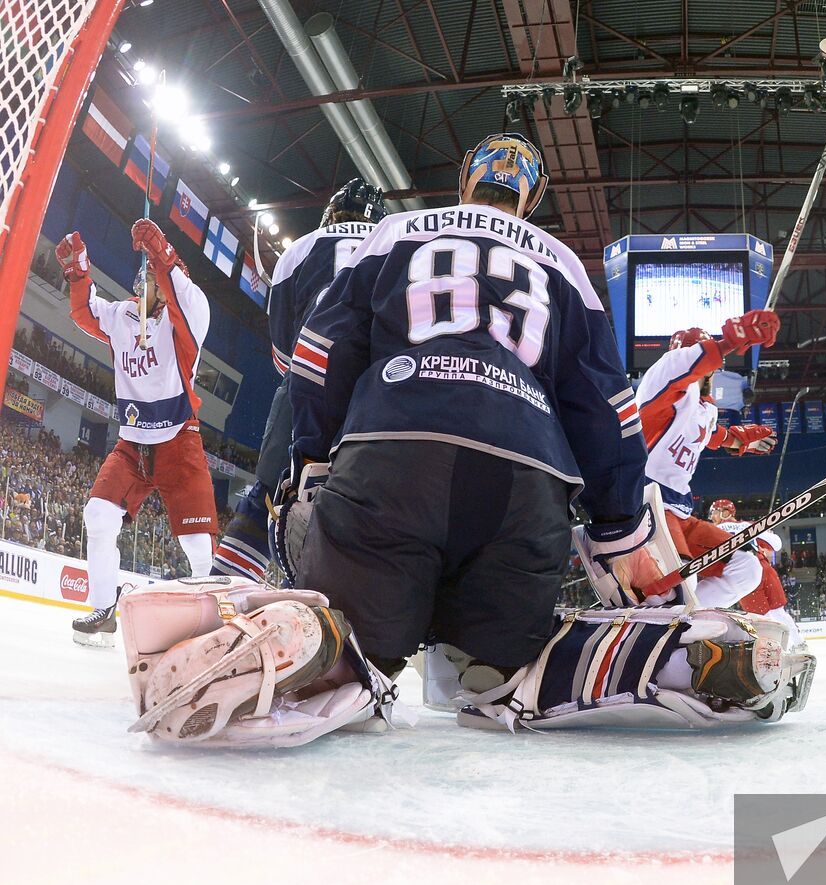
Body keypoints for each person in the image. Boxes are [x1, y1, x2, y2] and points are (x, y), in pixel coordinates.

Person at [283, 132, 672, 680]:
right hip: (526, 483)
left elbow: (321, 351)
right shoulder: (560, 261)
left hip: (393, 456)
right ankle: (545, 673)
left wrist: (314, 459)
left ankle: (338, 667)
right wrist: (618, 529)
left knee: (347, 660)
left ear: (467, 174)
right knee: (493, 676)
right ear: (531, 198)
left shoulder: (394, 231)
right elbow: (607, 405)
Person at [212, 179, 386, 582]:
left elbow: (282, 354)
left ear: (332, 213)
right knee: (370, 513)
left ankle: (223, 599)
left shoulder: (302, 247)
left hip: (310, 375)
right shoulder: (398, 249)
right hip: (377, 397)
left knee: (268, 499)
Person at [56, 220, 216, 645]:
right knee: (98, 514)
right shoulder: (124, 313)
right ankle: (105, 608)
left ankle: (216, 625)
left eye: (156, 276)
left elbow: (185, 296)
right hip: (133, 441)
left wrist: (165, 255)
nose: (147, 279)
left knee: (199, 547)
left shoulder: (190, 317)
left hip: (178, 438)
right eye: (145, 273)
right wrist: (78, 272)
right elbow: (85, 311)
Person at [634, 322, 779, 609]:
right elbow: (680, 365)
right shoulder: (660, 386)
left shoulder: (703, 407)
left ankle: (686, 618)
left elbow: (710, 435)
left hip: (681, 511)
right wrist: (728, 343)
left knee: (747, 568)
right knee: (681, 579)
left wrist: (743, 441)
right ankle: (669, 625)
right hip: (649, 505)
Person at [707, 497, 800, 646]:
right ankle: (799, 643)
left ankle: (777, 649)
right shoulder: (748, 525)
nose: (712, 517)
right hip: (765, 569)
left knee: (761, 618)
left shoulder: (712, 530)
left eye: (715, 512)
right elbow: (776, 544)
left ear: (726, 512)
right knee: (778, 612)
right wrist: (766, 533)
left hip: (745, 575)